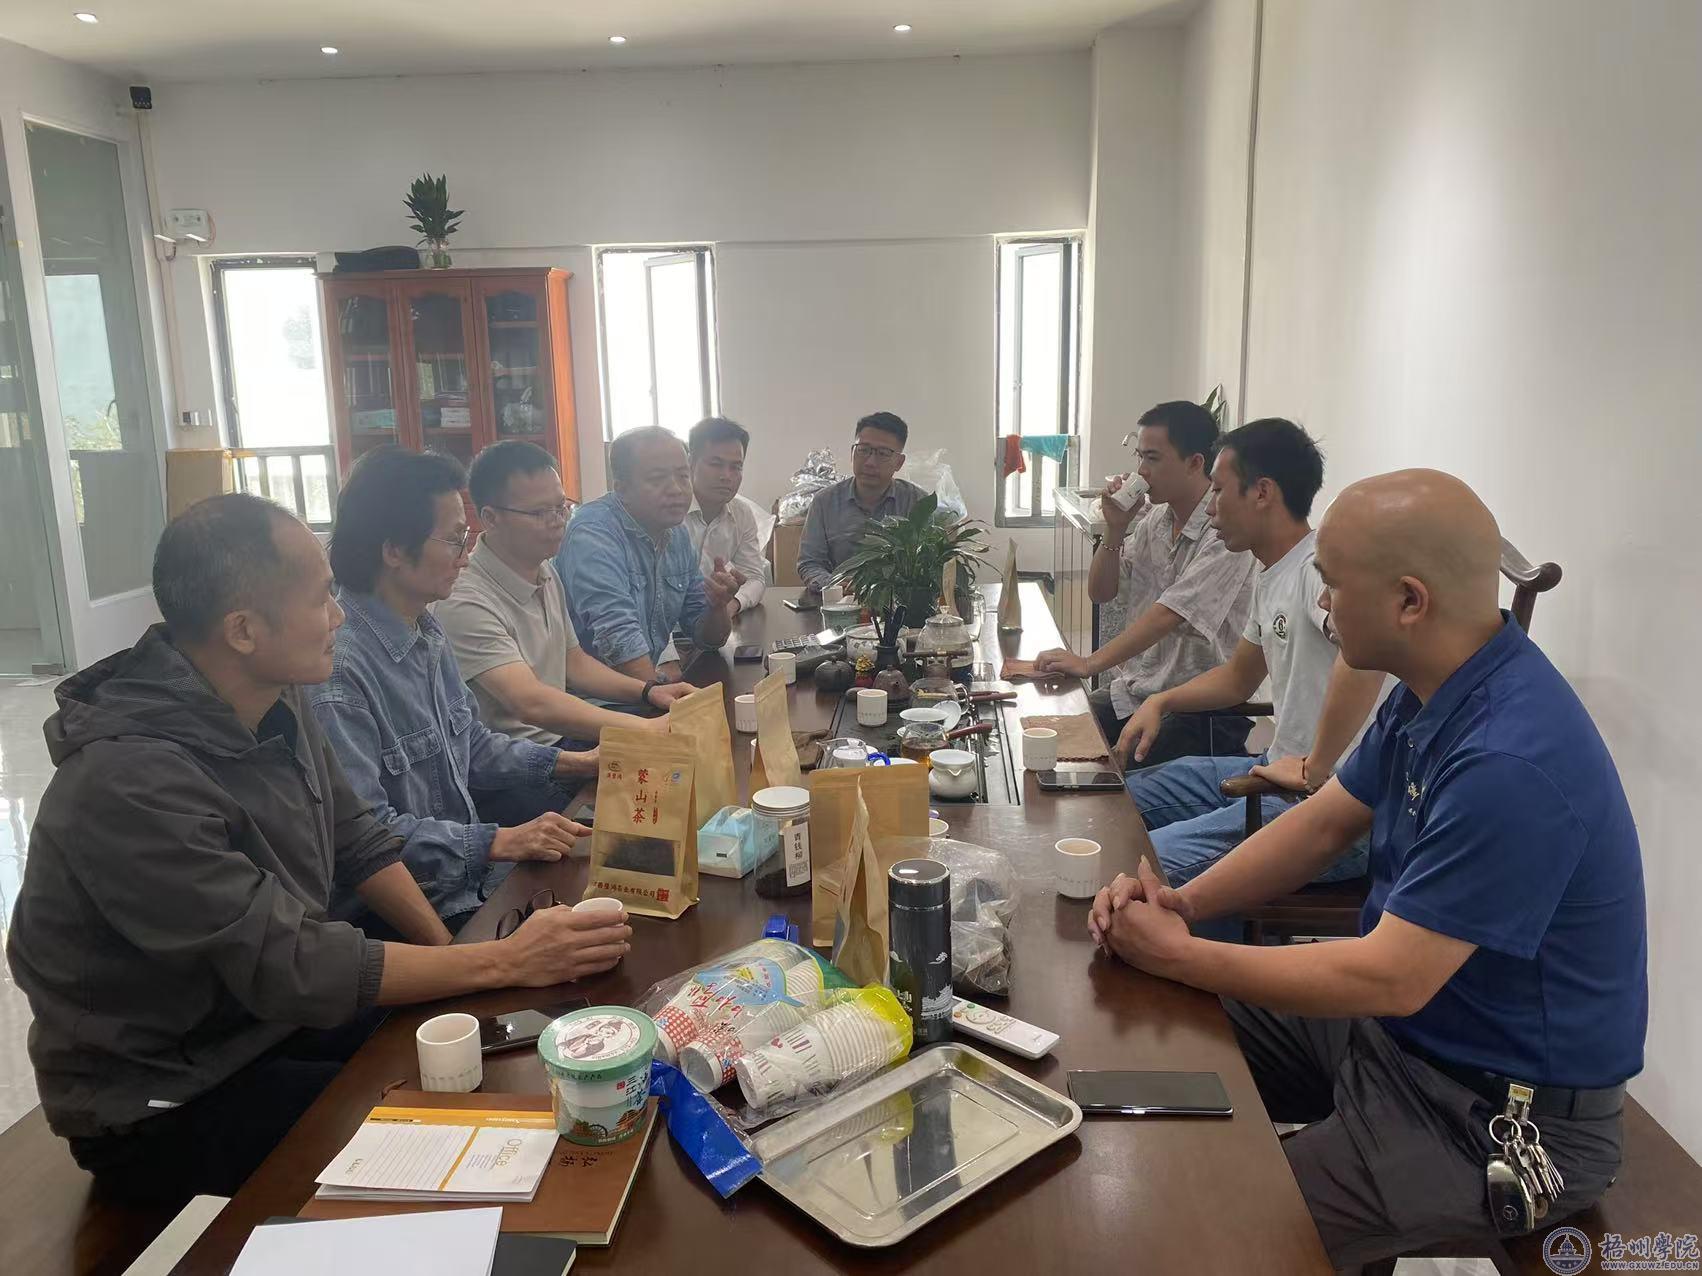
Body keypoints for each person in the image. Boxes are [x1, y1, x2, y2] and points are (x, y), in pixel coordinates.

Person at [4, 493, 633, 1205]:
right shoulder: (129, 782)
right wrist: (502, 960)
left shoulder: (274, 694)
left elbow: (356, 838)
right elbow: (291, 963)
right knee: (471, 1152)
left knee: (521, 1059)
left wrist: (464, 967)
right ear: (244, 630)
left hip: (274, 1023)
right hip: (175, 1091)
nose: (338, 615)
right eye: (321, 598)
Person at [1089, 470, 1644, 1268]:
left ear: (1409, 601)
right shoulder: (1433, 688)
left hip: (1498, 1113)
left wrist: (1183, 952)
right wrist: (1181, 906)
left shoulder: (1510, 761)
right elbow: (1324, 824)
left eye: (1333, 585)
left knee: (1214, 1235)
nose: (1322, 605)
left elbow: (1392, 976)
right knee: (1159, 1022)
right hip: (1404, 1042)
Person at [310, 448, 600, 931]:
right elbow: (368, 836)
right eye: (454, 539)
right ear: (393, 550)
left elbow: (472, 745)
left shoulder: (425, 629)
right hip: (408, 912)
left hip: (466, 877)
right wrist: (500, 840)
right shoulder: (339, 674)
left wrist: (581, 762)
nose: (467, 555)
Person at [1122, 418, 1387, 889]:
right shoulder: (1273, 573)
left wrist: (1316, 768)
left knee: (1141, 864)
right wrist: (1161, 701)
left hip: (1331, 805)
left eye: (1219, 491)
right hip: (1273, 768)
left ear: (1262, 492)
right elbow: (1238, 678)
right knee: (1123, 800)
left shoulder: (1316, 569)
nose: (1211, 507)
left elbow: (1365, 658)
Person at [437, 442, 695, 794]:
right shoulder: (465, 600)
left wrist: (650, 692)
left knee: (680, 778)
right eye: (540, 513)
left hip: (564, 739)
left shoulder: (544, 568)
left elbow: (574, 662)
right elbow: (530, 702)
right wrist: (644, 730)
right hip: (518, 767)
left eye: (562, 507)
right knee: (657, 791)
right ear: (491, 518)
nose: (558, 522)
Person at [1033, 401, 1256, 767]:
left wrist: (1089, 663)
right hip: (1138, 692)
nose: (1141, 471)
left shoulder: (1224, 535)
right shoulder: (1156, 521)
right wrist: (1115, 529)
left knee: (1102, 778)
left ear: (1195, 463)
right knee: (1051, 731)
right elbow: (1101, 592)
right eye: (1140, 457)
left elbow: (1169, 614)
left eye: (1152, 458)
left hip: (1197, 710)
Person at [554, 427, 740, 684]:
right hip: (593, 699)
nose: (676, 489)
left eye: (683, 476)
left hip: (643, 688)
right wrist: (663, 698)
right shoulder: (593, 534)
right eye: (657, 478)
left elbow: (708, 639)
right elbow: (619, 641)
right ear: (622, 488)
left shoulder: (676, 534)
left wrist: (718, 606)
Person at [796, 411, 924, 596]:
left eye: (883, 453)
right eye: (863, 450)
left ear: (899, 462)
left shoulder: (918, 503)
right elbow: (810, 562)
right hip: (840, 602)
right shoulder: (824, 502)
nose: (870, 462)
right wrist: (834, 585)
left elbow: (930, 565)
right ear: (852, 453)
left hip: (899, 603)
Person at [685, 415, 769, 617]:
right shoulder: (669, 511)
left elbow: (755, 578)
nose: (726, 476)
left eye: (736, 467)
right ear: (691, 463)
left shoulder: (741, 513)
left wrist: (730, 606)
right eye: (715, 464)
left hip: (714, 624)